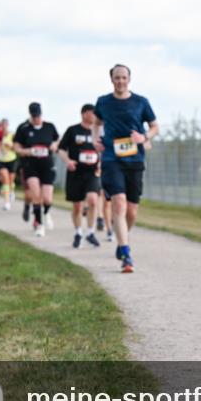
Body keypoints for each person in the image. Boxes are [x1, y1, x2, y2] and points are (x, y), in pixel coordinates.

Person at [92, 64, 158, 273]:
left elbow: (155, 126)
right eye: (117, 77)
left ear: (129, 79)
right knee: (119, 204)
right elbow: (96, 123)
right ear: (111, 79)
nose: (120, 81)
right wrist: (95, 140)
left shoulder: (141, 102)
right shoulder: (103, 102)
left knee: (132, 212)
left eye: (123, 77)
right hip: (112, 159)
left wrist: (144, 137)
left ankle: (123, 240)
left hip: (135, 160)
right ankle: (126, 254)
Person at [58, 104, 103, 248]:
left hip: (92, 172)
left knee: (93, 200)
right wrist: (67, 161)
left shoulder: (99, 131)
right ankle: (78, 233)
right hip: (76, 172)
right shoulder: (73, 130)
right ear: (84, 114)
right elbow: (61, 149)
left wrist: (101, 163)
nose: (94, 116)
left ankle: (90, 232)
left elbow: (105, 150)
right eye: (92, 113)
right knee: (77, 206)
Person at [13, 102, 59, 237]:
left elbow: (57, 141)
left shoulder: (49, 127)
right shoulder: (23, 128)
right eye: (34, 116)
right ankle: (39, 224)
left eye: (38, 116)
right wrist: (26, 151)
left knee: (47, 198)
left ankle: (46, 213)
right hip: (30, 165)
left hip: (47, 165)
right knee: (36, 195)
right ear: (30, 115)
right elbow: (16, 147)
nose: (36, 119)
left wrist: (54, 145)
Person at [0, 118, 17, 210]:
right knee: (5, 179)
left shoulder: (12, 135)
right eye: (1, 125)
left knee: (11, 181)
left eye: (5, 125)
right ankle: (7, 202)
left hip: (11, 160)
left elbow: (17, 148)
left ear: (7, 125)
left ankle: (12, 190)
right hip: (1, 160)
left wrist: (10, 146)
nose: (3, 127)